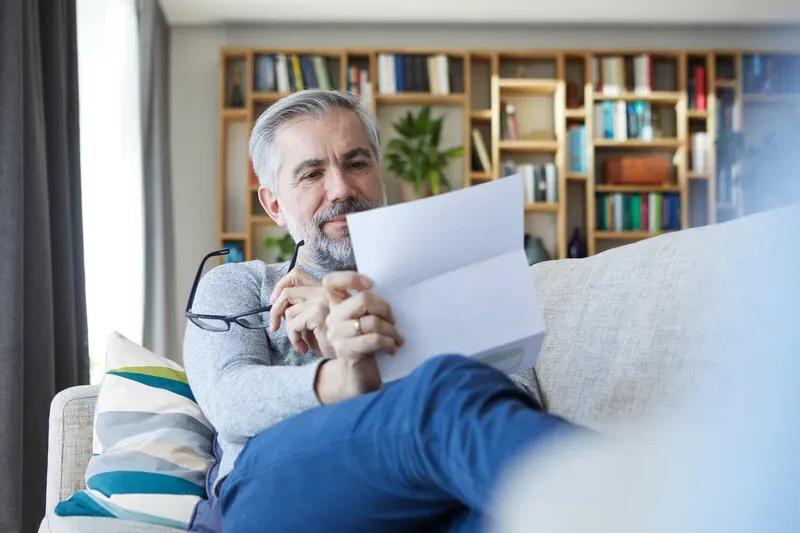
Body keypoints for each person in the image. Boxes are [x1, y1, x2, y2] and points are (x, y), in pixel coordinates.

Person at [183, 89, 576, 532]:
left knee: (505, 514)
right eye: (312, 174)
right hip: (273, 495)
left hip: (425, 498)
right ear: (274, 204)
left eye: (356, 163)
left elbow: (512, 397)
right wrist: (344, 375)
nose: (342, 189)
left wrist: (380, 333)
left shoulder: (444, 273)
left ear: (379, 174)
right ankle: (642, 497)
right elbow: (227, 400)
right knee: (441, 391)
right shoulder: (238, 283)